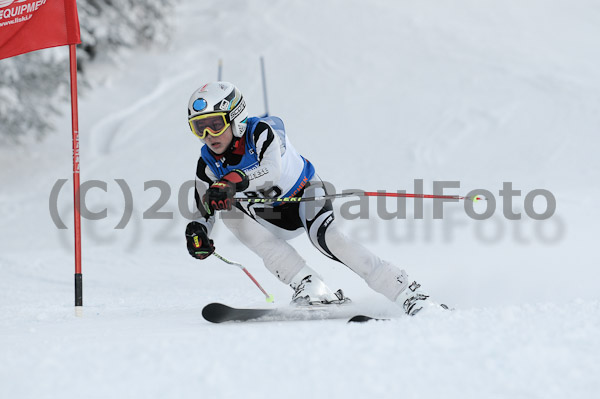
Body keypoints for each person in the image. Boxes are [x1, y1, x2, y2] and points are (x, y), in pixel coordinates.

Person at [184, 81, 438, 315]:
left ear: (236, 118)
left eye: (215, 124)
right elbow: (202, 206)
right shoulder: (207, 164)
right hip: (269, 216)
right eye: (199, 128)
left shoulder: (262, 131)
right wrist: (198, 230)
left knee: (330, 239)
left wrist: (230, 182)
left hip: (304, 196)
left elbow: (272, 172)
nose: (208, 135)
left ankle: (406, 292)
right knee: (229, 213)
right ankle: (309, 285)